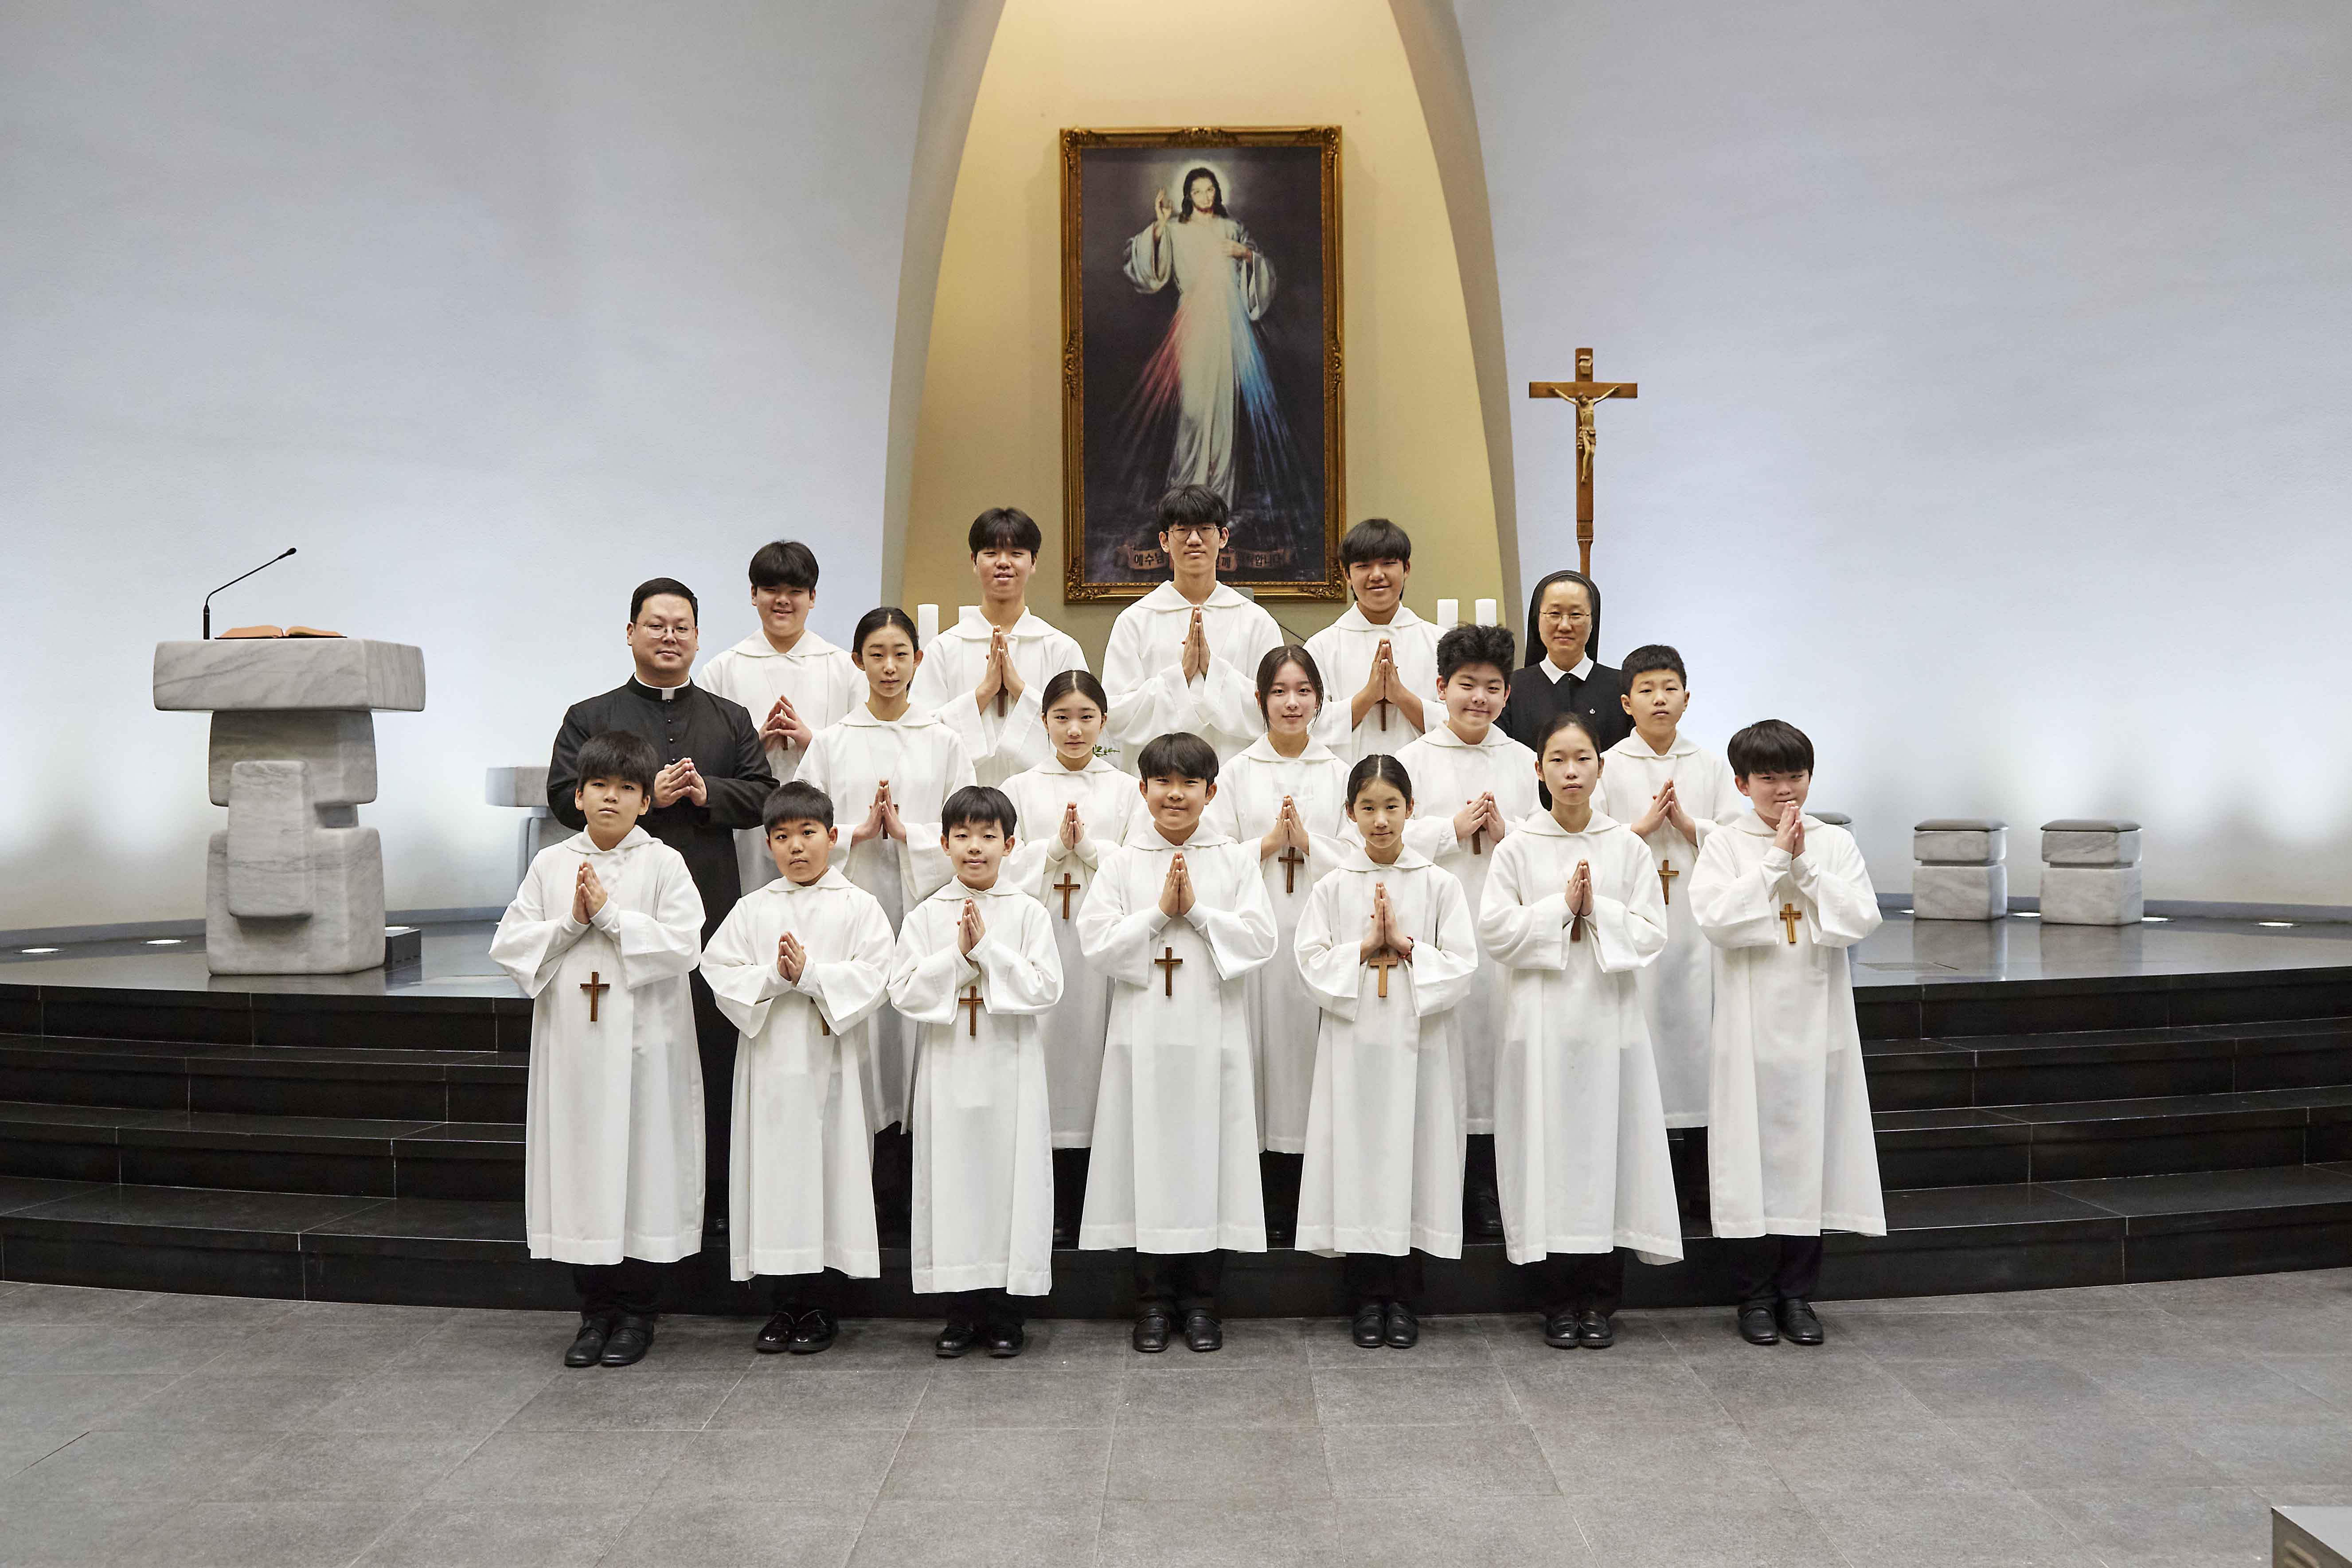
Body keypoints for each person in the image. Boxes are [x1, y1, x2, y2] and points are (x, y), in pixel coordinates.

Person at [547, 578, 777, 1228]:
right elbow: (562, 796)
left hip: (706, 894)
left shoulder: (729, 717)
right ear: (630, 633)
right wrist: (646, 794)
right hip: (613, 899)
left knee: (710, 1041)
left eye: (682, 627)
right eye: (656, 625)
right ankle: (618, 1191)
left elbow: (765, 795)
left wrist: (706, 793)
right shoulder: (590, 716)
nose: (669, 637)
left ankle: (713, 1194)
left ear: (698, 638)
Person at [493, 731, 705, 1369]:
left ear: (645, 801)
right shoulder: (551, 865)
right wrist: (572, 923)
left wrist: (611, 916)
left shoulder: (663, 864)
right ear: (579, 796)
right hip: (575, 1051)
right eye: (599, 787)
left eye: (626, 788)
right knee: (581, 1165)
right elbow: (511, 944)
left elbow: (685, 945)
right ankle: (594, 1312)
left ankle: (638, 1313)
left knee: (642, 1165)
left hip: (646, 1048)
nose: (611, 798)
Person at [1477, 711, 1680, 1350]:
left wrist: (1597, 911)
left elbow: (1650, 934)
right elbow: (1495, 932)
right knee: (1547, 1154)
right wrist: (1558, 909)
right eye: (1558, 761)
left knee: (1607, 1154)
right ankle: (1554, 1301)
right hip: (1538, 1024)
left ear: (1600, 767)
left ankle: (1599, 1300)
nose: (1570, 772)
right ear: (1537, 770)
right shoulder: (1516, 848)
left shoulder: (1626, 847)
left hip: (1607, 1022)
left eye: (1582, 759)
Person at [1078, 731, 1277, 1353]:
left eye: (1189, 783)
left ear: (1211, 792)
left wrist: (1196, 913)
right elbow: (1096, 942)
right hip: (1141, 1041)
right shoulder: (1120, 863)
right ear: (1141, 789)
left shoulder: (1234, 861)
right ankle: (1151, 1303)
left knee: (1209, 1165)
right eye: (1162, 782)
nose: (1175, 794)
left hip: (1212, 1040)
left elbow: (1260, 939)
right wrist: (1158, 914)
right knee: (1145, 1165)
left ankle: (1202, 1303)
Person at [1689, 719, 1885, 1348]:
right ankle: (1752, 1297)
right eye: (1768, 778)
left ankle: (1797, 1296)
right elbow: (1716, 919)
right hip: (1748, 1030)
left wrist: (1805, 867)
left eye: (1795, 776)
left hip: (1817, 1024)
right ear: (1741, 784)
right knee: (1749, 1159)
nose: (1783, 790)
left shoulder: (1832, 842)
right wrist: (1776, 860)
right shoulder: (1724, 842)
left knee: (1808, 1157)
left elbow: (1860, 917)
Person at [698, 781, 895, 1356]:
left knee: (828, 1175)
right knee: (776, 1178)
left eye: (808, 833)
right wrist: (773, 977)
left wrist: (809, 976)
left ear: (832, 837)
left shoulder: (858, 906)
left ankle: (822, 1305)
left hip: (831, 1066)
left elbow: (876, 975)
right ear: (768, 846)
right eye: (782, 837)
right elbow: (719, 969)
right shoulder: (753, 908)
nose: (796, 846)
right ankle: (782, 1304)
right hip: (769, 1068)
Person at [799, 607, 978, 1232]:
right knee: (866, 1038)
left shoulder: (943, 739)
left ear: (918, 661)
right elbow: (801, 825)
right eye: (876, 654)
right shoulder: (830, 743)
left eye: (901, 653)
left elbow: (969, 826)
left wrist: (910, 836)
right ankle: (864, 1192)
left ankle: (917, 1187)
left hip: (922, 907)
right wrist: (855, 833)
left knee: (914, 1034)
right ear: (857, 662)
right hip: (851, 907)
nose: (889, 666)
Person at [1293, 755, 1476, 1351]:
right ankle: (1365, 1299)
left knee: (1413, 1161)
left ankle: (1404, 1299)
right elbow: (1310, 965)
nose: (1379, 821)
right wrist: (1362, 948)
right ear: (1348, 813)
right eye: (1367, 808)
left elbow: (1463, 966)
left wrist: (1405, 945)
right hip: (1352, 1050)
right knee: (1360, 1163)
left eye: (1391, 807)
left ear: (1411, 809)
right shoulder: (1331, 886)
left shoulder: (1439, 884)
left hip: (1420, 1047)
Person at [887, 785, 1063, 1357]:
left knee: (1008, 1184)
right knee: (951, 1183)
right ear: (943, 844)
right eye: (961, 836)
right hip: (947, 1070)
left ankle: (1006, 1315)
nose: (974, 847)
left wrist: (987, 951)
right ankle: (959, 1313)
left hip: (1010, 1071)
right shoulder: (925, 915)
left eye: (988, 836)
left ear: (1009, 845)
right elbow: (903, 992)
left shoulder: (1028, 912)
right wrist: (957, 959)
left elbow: (1045, 988)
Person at [1392, 624, 1538, 1240]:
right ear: (1440, 687)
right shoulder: (1410, 762)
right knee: (1448, 1054)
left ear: (1507, 694)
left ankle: (1491, 1182)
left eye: (1492, 687)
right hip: (1436, 933)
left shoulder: (1524, 761)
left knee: (1497, 1051)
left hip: (1503, 933)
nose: (1479, 698)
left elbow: (1548, 842)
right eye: (1466, 685)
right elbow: (1384, 841)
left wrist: (1509, 835)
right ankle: (1437, 1185)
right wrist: (1448, 830)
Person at [1205, 646, 1350, 1246]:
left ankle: (1310, 1196)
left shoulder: (1339, 772)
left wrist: (1309, 844)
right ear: (1259, 699)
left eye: (1303, 691)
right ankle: (1258, 1194)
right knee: (1258, 1058)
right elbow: (1213, 857)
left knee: (1308, 1060)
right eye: (1279, 692)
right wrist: (1267, 845)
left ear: (1319, 699)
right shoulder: (1237, 772)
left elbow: (1361, 856)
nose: (1292, 703)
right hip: (1256, 938)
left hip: (1320, 937)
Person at [1592, 644, 1745, 1212]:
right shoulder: (1607, 765)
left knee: (1697, 1044)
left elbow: (1738, 839)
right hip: (1634, 923)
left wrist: (1689, 825)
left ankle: (1699, 1176)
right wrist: (1637, 830)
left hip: (1695, 929)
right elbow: (1588, 838)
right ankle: (1641, 1177)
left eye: (1669, 689)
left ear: (1686, 698)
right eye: (1647, 690)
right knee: (1643, 1041)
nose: (1659, 699)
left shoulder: (1707, 765)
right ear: (1625, 703)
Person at [1000, 672, 1138, 1244]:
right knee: (1047, 1059)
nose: (1074, 729)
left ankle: (1095, 1200)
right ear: (1043, 722)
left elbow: (1139, 862)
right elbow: (999, 865)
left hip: (1100, 952)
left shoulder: (1126, 789)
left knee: (1096, 1060)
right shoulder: (1019, 787)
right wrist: (1055, 850)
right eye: (1061, 717)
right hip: (1040, 943)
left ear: (1104, 721)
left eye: (1085, 717)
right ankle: (1045, 1202)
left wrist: (1091, 851)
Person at [1120, 166, 1301, 509]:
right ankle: (1188, 486)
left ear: (1217, 192)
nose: (1205, 197)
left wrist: (1244, 254)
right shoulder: (1176, 229)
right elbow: (1142, 264)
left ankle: (1218, 490)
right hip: (1193, 322)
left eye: (1210, 190)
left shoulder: (1231, 229)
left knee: (1222, 406)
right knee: (1193, 405)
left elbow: (1263, 272)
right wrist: (1159, 224)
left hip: (1227, 324)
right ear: (1188, 196)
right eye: (1198, 191)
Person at [698, 540, 863, 894]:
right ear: (753, 594)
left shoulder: (842, 667)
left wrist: (812, 740)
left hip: (821, 820)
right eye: (771, 590)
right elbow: (703, 756)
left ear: (813, 597)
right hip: (748, 828)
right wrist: (752, 745)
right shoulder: (723, 669)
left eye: (795, 591)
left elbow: (865, 749)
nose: (783, 600)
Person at [1100, 485, 1286, 764]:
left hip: (1236, 774)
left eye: (1205, 529)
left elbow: (1277, 710)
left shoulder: (1257, 621)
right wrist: (1182, 675)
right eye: (1183, 530)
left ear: (1223, 537)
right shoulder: (1134, 622)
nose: (1194, 540)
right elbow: (1116, 716)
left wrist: (1213, 671)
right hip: (1160, 777)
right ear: (1164, 541)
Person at [906, 507, 1090, 786]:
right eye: (991, 553)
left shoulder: (1060, 648)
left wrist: (1019, 690)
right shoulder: (945, 648)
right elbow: (920, 733)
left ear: (1033, 562)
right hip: (963, 798)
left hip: (1043, 796)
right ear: (974, 561)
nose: (1003, 563)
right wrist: (983, 694)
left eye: (1016, 553)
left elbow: (1082, 728)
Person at [1304, 518, 1439, 762]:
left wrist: (1401, 697)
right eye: (1364, 566)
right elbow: (1307, 726)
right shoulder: (1321, 647)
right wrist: (1368, 696)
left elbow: (1460, 723)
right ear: (1347, 574)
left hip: (1423, 777)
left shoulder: (1439, 642)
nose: (1377, 575)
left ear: (1406, 568)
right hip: (1348, 778)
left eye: (1388, 563)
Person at [1499, 569, 1631, 758]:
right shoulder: (1511, 688)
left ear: (1593, 621)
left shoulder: (1623, 687)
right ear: (1537, 620)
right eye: (1554, 613)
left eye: (1576, 615)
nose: (1565, 626)